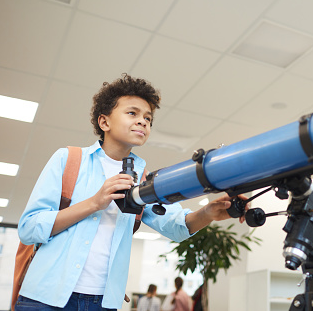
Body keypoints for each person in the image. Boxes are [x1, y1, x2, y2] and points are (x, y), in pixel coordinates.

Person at [15, 74, 247, 310]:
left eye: (148, 118)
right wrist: (94, 202)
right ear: (104, 122)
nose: (143, 122)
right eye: (132, 113)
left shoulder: (144, 179)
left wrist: (209, 212)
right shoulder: (68, 159)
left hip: (102, 303)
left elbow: (176, 225)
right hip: (45, 297)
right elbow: (28, 228)